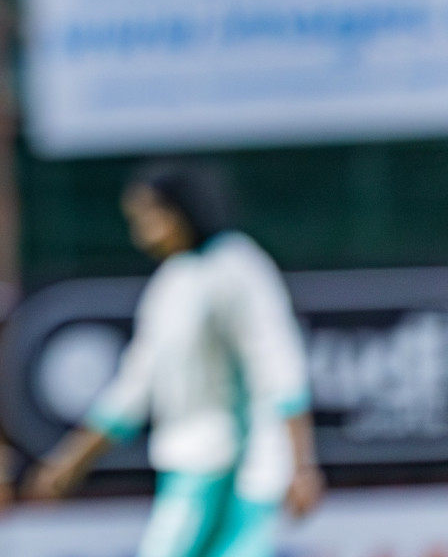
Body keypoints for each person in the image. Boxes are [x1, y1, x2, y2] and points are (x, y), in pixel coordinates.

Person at [24, 160, 325, 557]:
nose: (140, 232)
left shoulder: (238, 267)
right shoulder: (173, 282)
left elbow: (281, 369)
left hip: (238, 472)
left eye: (147, 217)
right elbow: (135, 387)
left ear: (179, 210)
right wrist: (70, 462)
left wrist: (301, 465)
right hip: (190, 466)